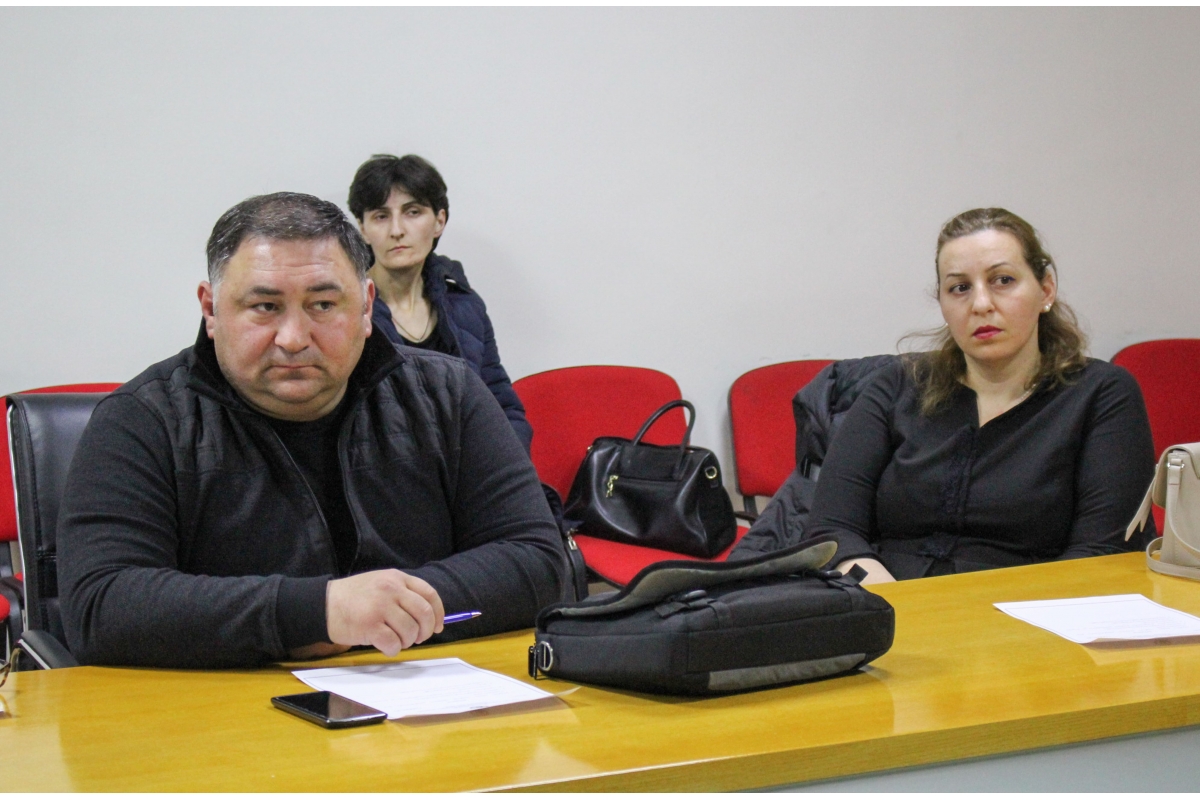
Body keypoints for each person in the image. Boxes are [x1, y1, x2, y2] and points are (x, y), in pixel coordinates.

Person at [57, 192, 568, 668]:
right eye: (265, 307)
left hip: (421, 691)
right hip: (224, 709)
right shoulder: (141, 420)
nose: (294, 338)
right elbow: (102, 605)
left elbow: (539, 561)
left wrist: (381, 612)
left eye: (323, 305)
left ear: (366, 306)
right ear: (211, 309)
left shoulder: (447, 394)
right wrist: (321, 612)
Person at [736, 208, 1156, 583]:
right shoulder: (896, 385)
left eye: (1003, 281)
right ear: (941, 301)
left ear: (1045, 290)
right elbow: (833, 530)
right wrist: (894, 604)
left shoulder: (1101, 393)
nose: (981, 304)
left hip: (1032, 614)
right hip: (887, 603)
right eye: (959, 288)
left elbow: (1100, 553)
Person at [347, 154, 532, 452]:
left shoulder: (466, 305)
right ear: (363, 229)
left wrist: (505, 466)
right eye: (381, 216)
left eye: (413, 212)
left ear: (439, 221)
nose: (397, 230)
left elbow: (501, 404)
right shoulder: (345, 311)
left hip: (470, 466)